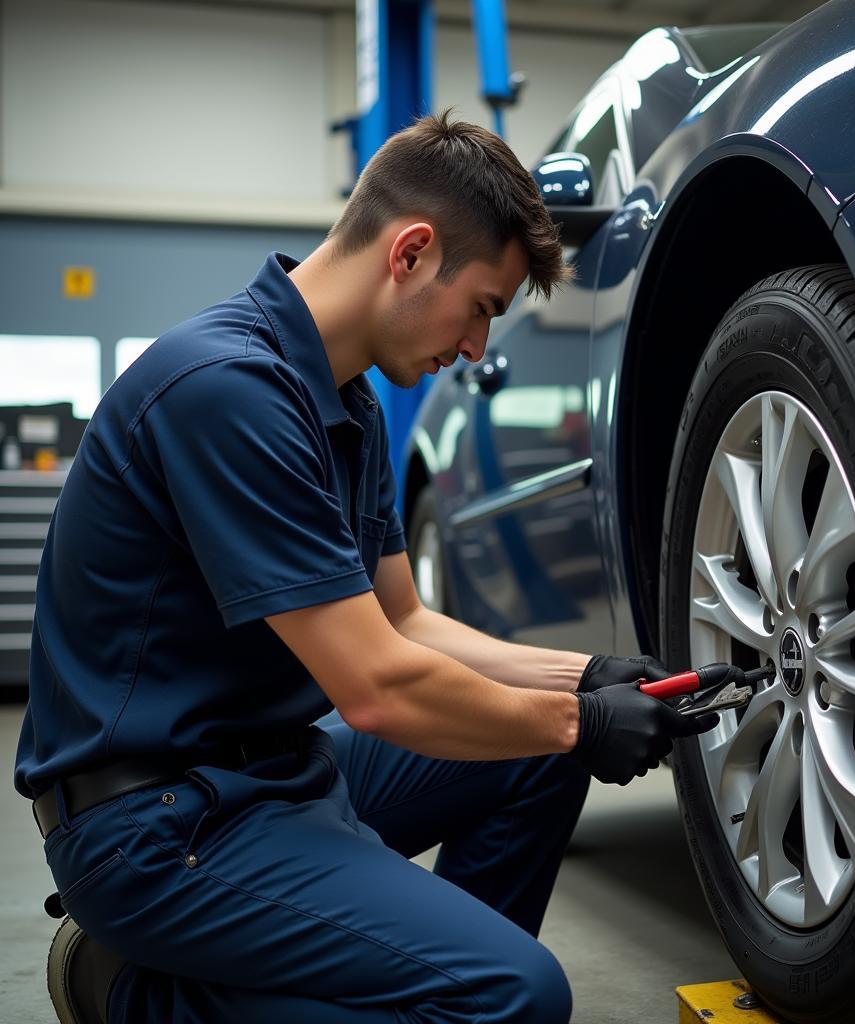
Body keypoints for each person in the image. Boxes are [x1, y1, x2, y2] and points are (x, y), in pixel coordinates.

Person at [15, 111, 715, 1024]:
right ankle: (138, 996)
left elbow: (409, 625)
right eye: (482, 310)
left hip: (277, 776)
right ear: (412, 252)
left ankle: (427, 983)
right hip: (158, 826)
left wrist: (594, 679)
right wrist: (580, 723)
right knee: (520, 993)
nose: (476, 350)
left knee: (533, 758)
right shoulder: (225, 389)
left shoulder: (346, 404)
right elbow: (377, 689)